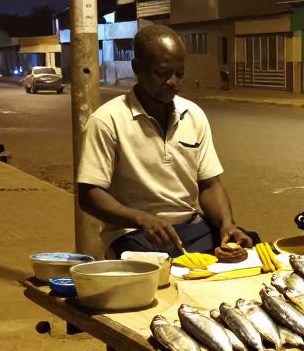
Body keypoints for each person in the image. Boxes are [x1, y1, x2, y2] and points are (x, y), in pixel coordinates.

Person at [77, 24, 258, 258]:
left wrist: (227, 224)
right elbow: (89, 194)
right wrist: (142, 219)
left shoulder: (193, 115)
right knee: (156, 274)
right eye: (162, 73)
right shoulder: (107, 120)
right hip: (135, 233)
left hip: (192, 227)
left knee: (247, 250)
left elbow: (210, 185)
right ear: (137, 68)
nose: (173, 81)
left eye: (179, 73)